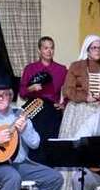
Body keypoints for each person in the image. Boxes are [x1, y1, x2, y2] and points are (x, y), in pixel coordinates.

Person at [56, 35, 100, 190]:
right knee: (74, 149)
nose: (97, 50)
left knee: (95, 151)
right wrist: (85, 96)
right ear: (87, 49)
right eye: (94, 47)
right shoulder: (76, 66)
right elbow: (67, 90)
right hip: (78, 112)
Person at [19, 36, 67, 164]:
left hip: (52, 109)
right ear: (39, 50)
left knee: (51, 142)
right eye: (45, 48)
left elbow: (68, 91)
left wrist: (64, 104)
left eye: (51, 48)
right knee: (33, 141)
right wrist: (31, 88)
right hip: (34, 106)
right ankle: (32, 174)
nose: (49, 51)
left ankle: (49, 176)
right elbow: (22, 93)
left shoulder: (61, 70)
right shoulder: (30, 68)